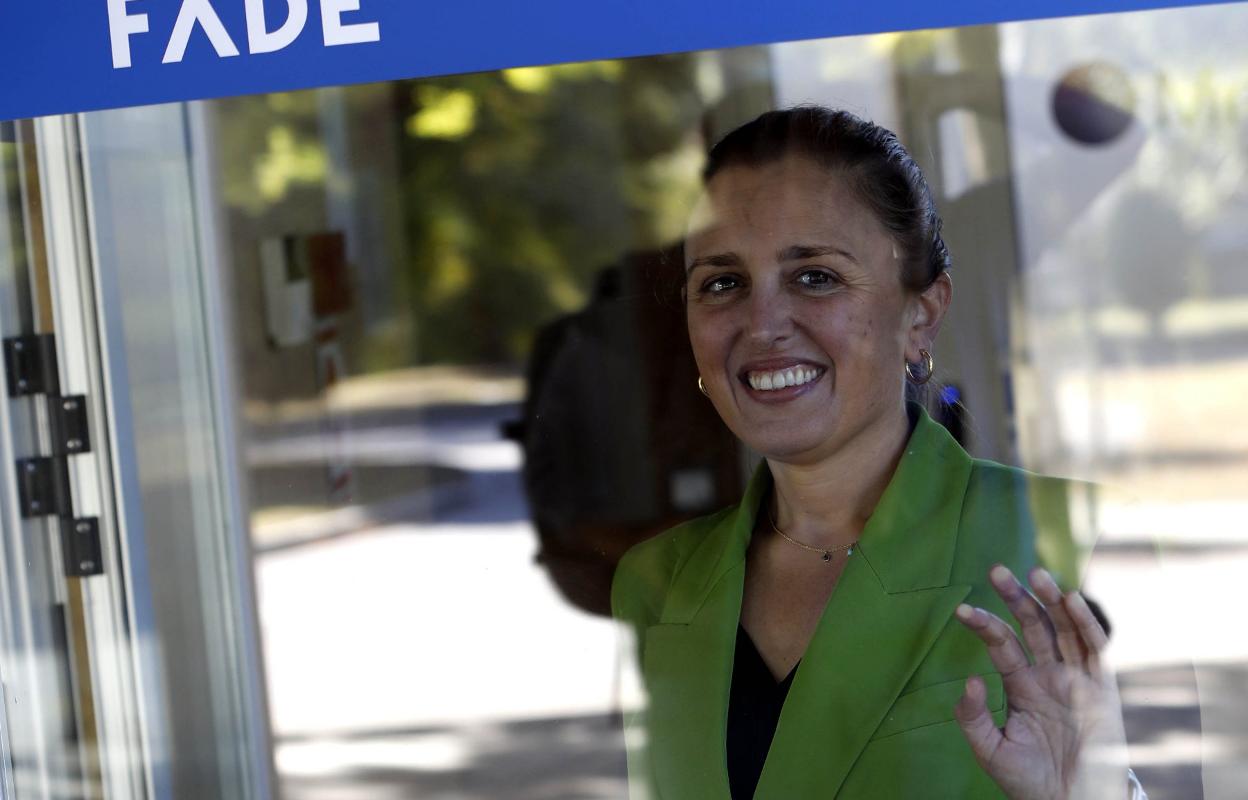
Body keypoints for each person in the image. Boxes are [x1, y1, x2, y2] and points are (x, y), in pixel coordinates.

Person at [610, 107, 1143, 799]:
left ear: (920, 315)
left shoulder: (1060, 537)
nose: (762, 324)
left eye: (816, 277)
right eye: (721, 283)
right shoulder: (655, 584)